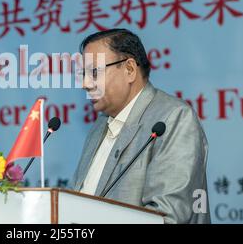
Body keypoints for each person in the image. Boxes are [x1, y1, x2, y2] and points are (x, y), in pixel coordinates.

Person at [71, 28, 210, 223]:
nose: (85, 83)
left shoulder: (173, 118)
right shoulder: (98, 127)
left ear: (129, 70)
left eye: (94, 72)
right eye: (82, 73)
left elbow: (167, 216)